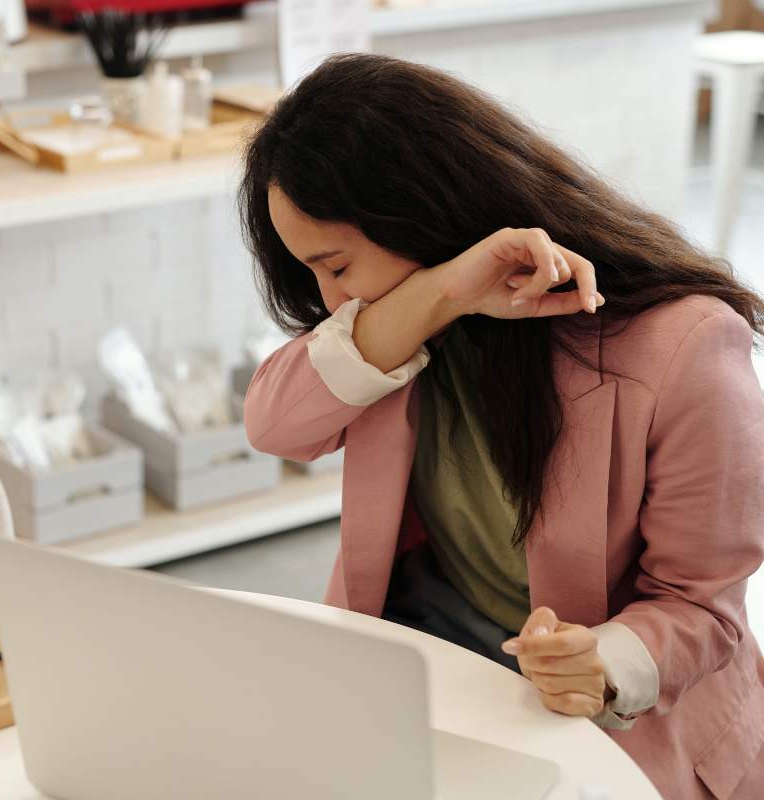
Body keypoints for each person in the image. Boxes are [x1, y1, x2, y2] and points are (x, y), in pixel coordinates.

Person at [241, 53, 764, 799]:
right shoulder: (398, 331)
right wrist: (441, 294)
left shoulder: (685, 345)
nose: (331, 303)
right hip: (428, 645)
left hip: (608, 712)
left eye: (337, 267)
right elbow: (274, 426)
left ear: (418, 213)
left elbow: (704, 609)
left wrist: (604, 660)